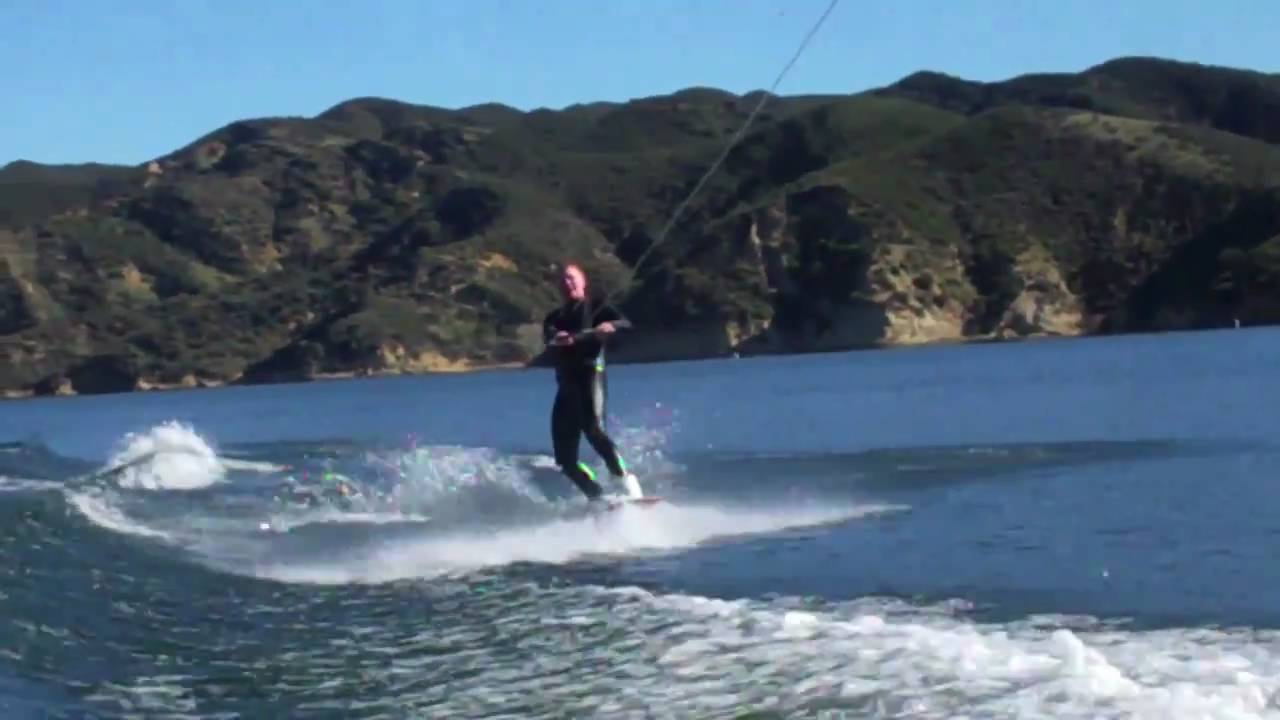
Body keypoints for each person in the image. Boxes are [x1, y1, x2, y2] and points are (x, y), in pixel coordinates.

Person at [542, 263, 644, 502]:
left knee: (593, 428)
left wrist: (610, 326)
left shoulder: (597, 308)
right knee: (565, 460)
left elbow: (626, 324)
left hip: (590, 375)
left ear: (583, 281)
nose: (567, 283)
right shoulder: (554, 318)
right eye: (563, 280)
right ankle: (596, 495)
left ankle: (625, 480)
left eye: (572, 278)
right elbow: (549, 336)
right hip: (566, 386)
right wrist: (558, 337)